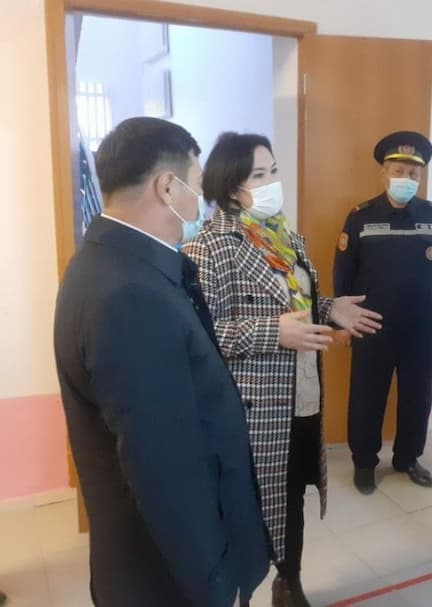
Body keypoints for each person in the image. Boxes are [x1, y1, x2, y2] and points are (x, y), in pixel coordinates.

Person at [53, 118, 270, 607]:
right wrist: (215, 584)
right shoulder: (129, 295)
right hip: (166, 578)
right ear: (167, 186)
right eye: (197, 184)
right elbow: (165, 468)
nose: (201, 201)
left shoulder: (109, 262)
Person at [184, 132, 381, 607]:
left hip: (301, 395)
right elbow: (200, 335)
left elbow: (297, 305)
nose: (273, 182)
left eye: (273, 170)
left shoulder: (285, 237)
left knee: (291, 496)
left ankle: (288, 581)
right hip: (252, 409)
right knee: (247, 505)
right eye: (259, 175)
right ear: (232, 187)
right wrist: (272, 333)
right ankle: (237, 591)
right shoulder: (210, 247)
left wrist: (329, 308)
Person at [333, 131, 432, 495]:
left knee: (418, 396)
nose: (406, 178)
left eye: (413, 174)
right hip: (371, 325)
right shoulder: (361, 217)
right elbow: (343, 272)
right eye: (399, 171)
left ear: (420, 178)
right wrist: (341, 320)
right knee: (367, 397)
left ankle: (407, 458)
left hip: (422, 326)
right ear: (384, 173)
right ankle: (364, 463)